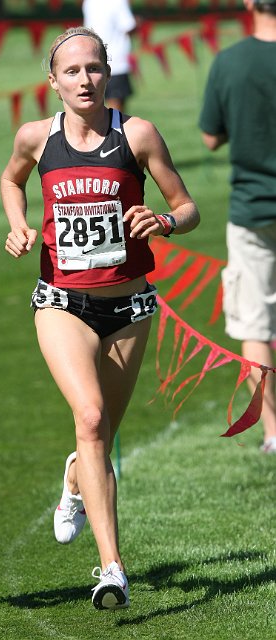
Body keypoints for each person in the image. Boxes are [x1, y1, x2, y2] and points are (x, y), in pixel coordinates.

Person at [1, 26, 199, 610]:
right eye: (72, 71)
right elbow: (12, 181)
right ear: (53, 81)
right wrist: (18, 223)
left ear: (108, 72)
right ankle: (112, 568)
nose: (84, 79)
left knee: (102, 430)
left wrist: (164, 223)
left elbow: (186, 207)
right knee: (89, 417)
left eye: (94, 68)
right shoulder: (36, 138)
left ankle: (73, 479)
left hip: (132, 307)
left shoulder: (135, 134)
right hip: (63, 302)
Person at [199, 0, 276, 453]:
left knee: (255, 326)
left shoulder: (229, 61)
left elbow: (210, 136)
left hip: (252, 210)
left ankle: (272, 431)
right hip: (252, 208)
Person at [82, 0, 137, 113]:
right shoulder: (118, 2)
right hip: (116, 62)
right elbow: (128, 26)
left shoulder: (89, 2)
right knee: (116, 110)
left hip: (93, 59)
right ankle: (114, 131)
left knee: (94, 108)